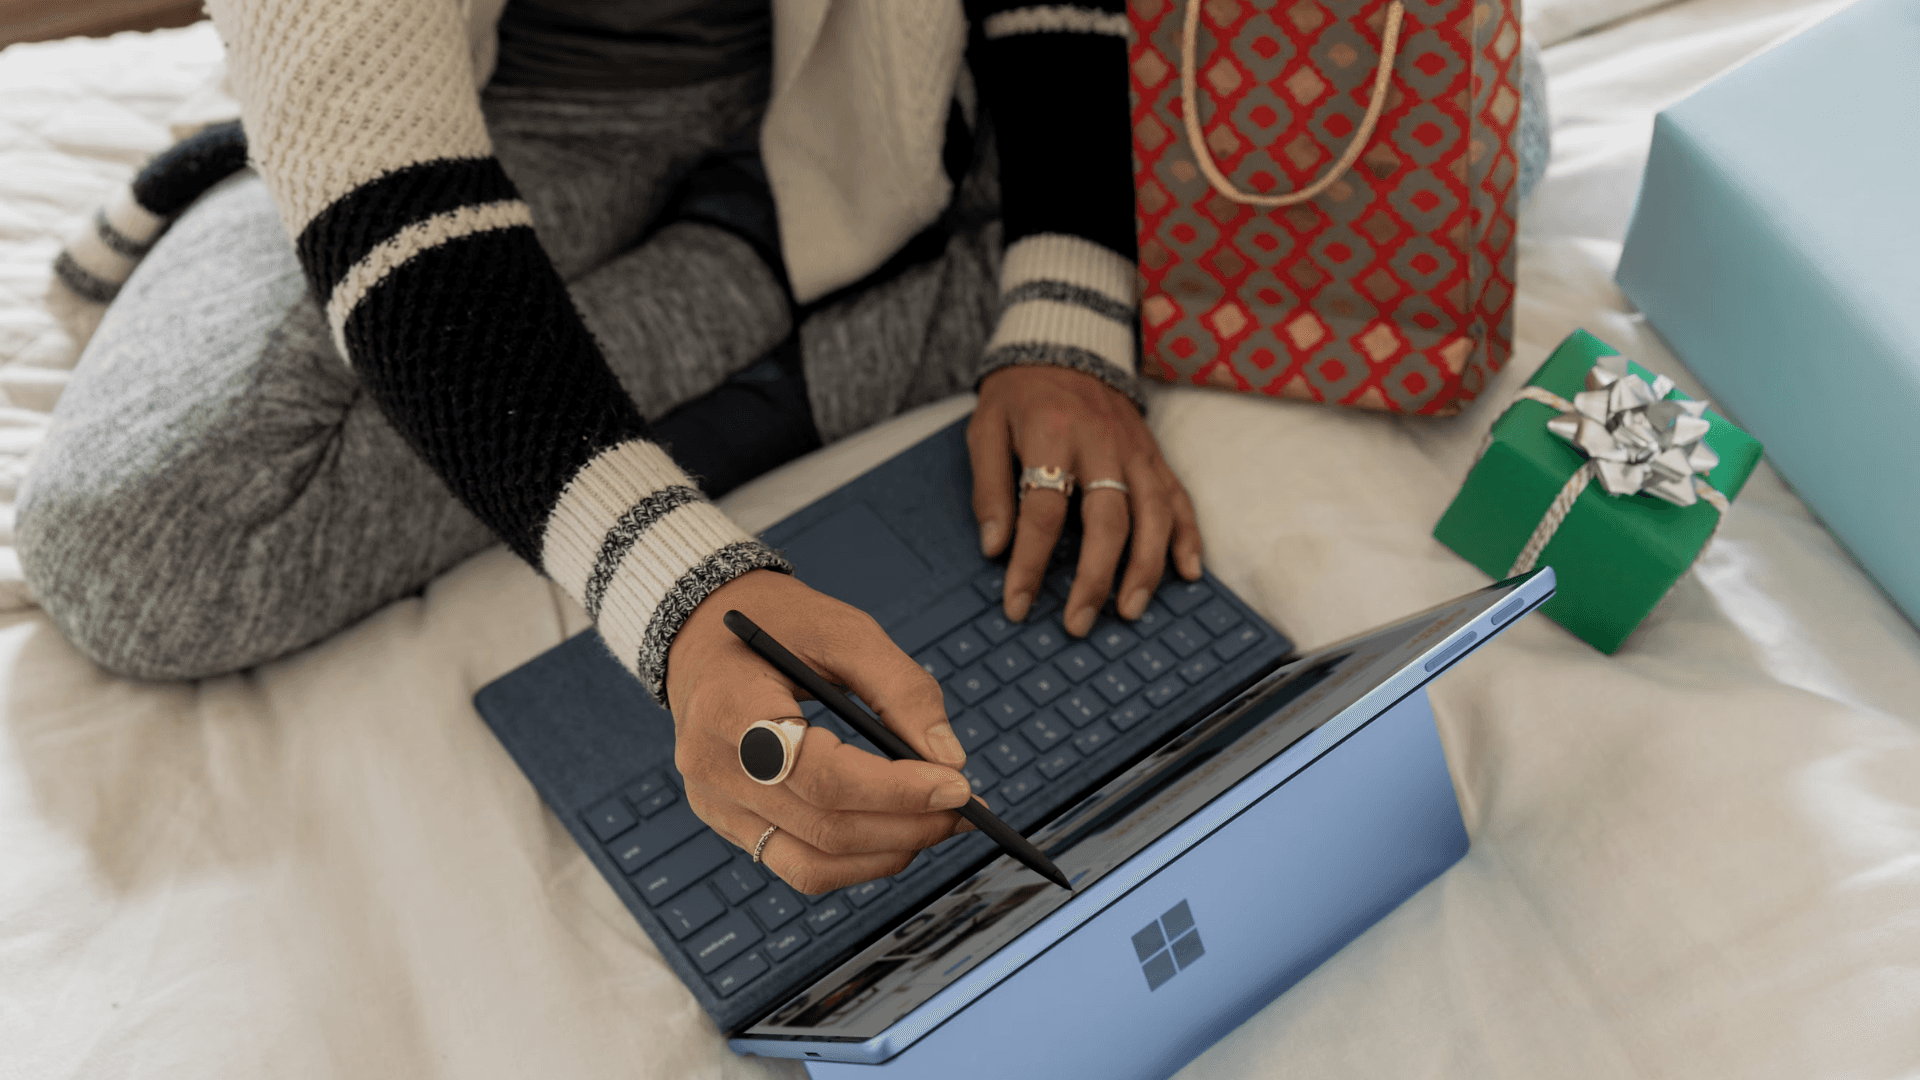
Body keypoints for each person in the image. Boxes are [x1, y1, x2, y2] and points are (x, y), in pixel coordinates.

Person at [20, 0, 1548, 896]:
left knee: (1471, 130)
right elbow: (393, 191)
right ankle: (791, 276)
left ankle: (827, 251)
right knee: (143, 549)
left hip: (882, 72)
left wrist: (1072, 317)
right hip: (506, 115)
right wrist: (687, 603)